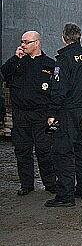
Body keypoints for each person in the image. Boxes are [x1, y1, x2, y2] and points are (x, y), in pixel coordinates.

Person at [45, 23, 82, 208]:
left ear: (63, 38)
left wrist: (52, 112)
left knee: (63, 152)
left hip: (68, 111)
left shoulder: (64, 58)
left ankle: (65, 195)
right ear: (80, 37)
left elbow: (59, 88)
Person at [0, 31, 56, 195]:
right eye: (22, 42)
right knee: (22, 151)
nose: (22, 45)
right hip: (20, 115)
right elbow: (3, 74)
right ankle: (26, 185)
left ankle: (50, 184)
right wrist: (15, 58)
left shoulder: (50, 64)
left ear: (37, 43)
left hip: (42, 116)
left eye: (26, 42)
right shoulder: (17, 62)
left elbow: (56, 92)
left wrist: (53, 114)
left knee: (44, 150)